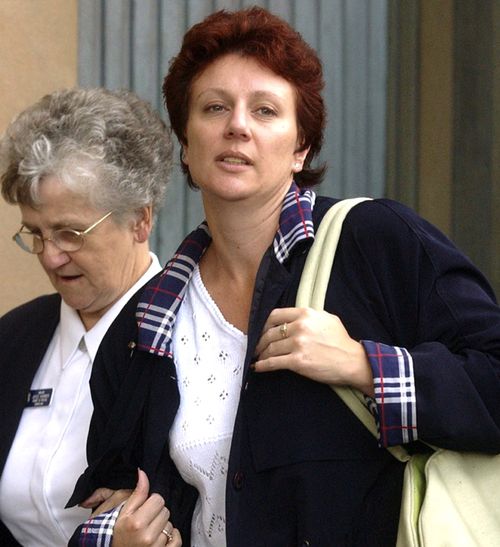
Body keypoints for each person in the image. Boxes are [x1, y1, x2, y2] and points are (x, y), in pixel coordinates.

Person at [68, 7, 500, 546]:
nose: (237, 125)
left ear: (301, 148)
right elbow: (111, 498)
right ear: (185, 141)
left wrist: (365, 366)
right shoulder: (142, 329)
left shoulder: (375, 242)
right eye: (214, 107)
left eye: (266, 110)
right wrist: (116, 537)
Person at [0, 88, 182, 546]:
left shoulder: (190, 339)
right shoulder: (14, 337)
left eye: (70, 233)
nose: (51, 258)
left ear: (141, 220)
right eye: (36, 234)